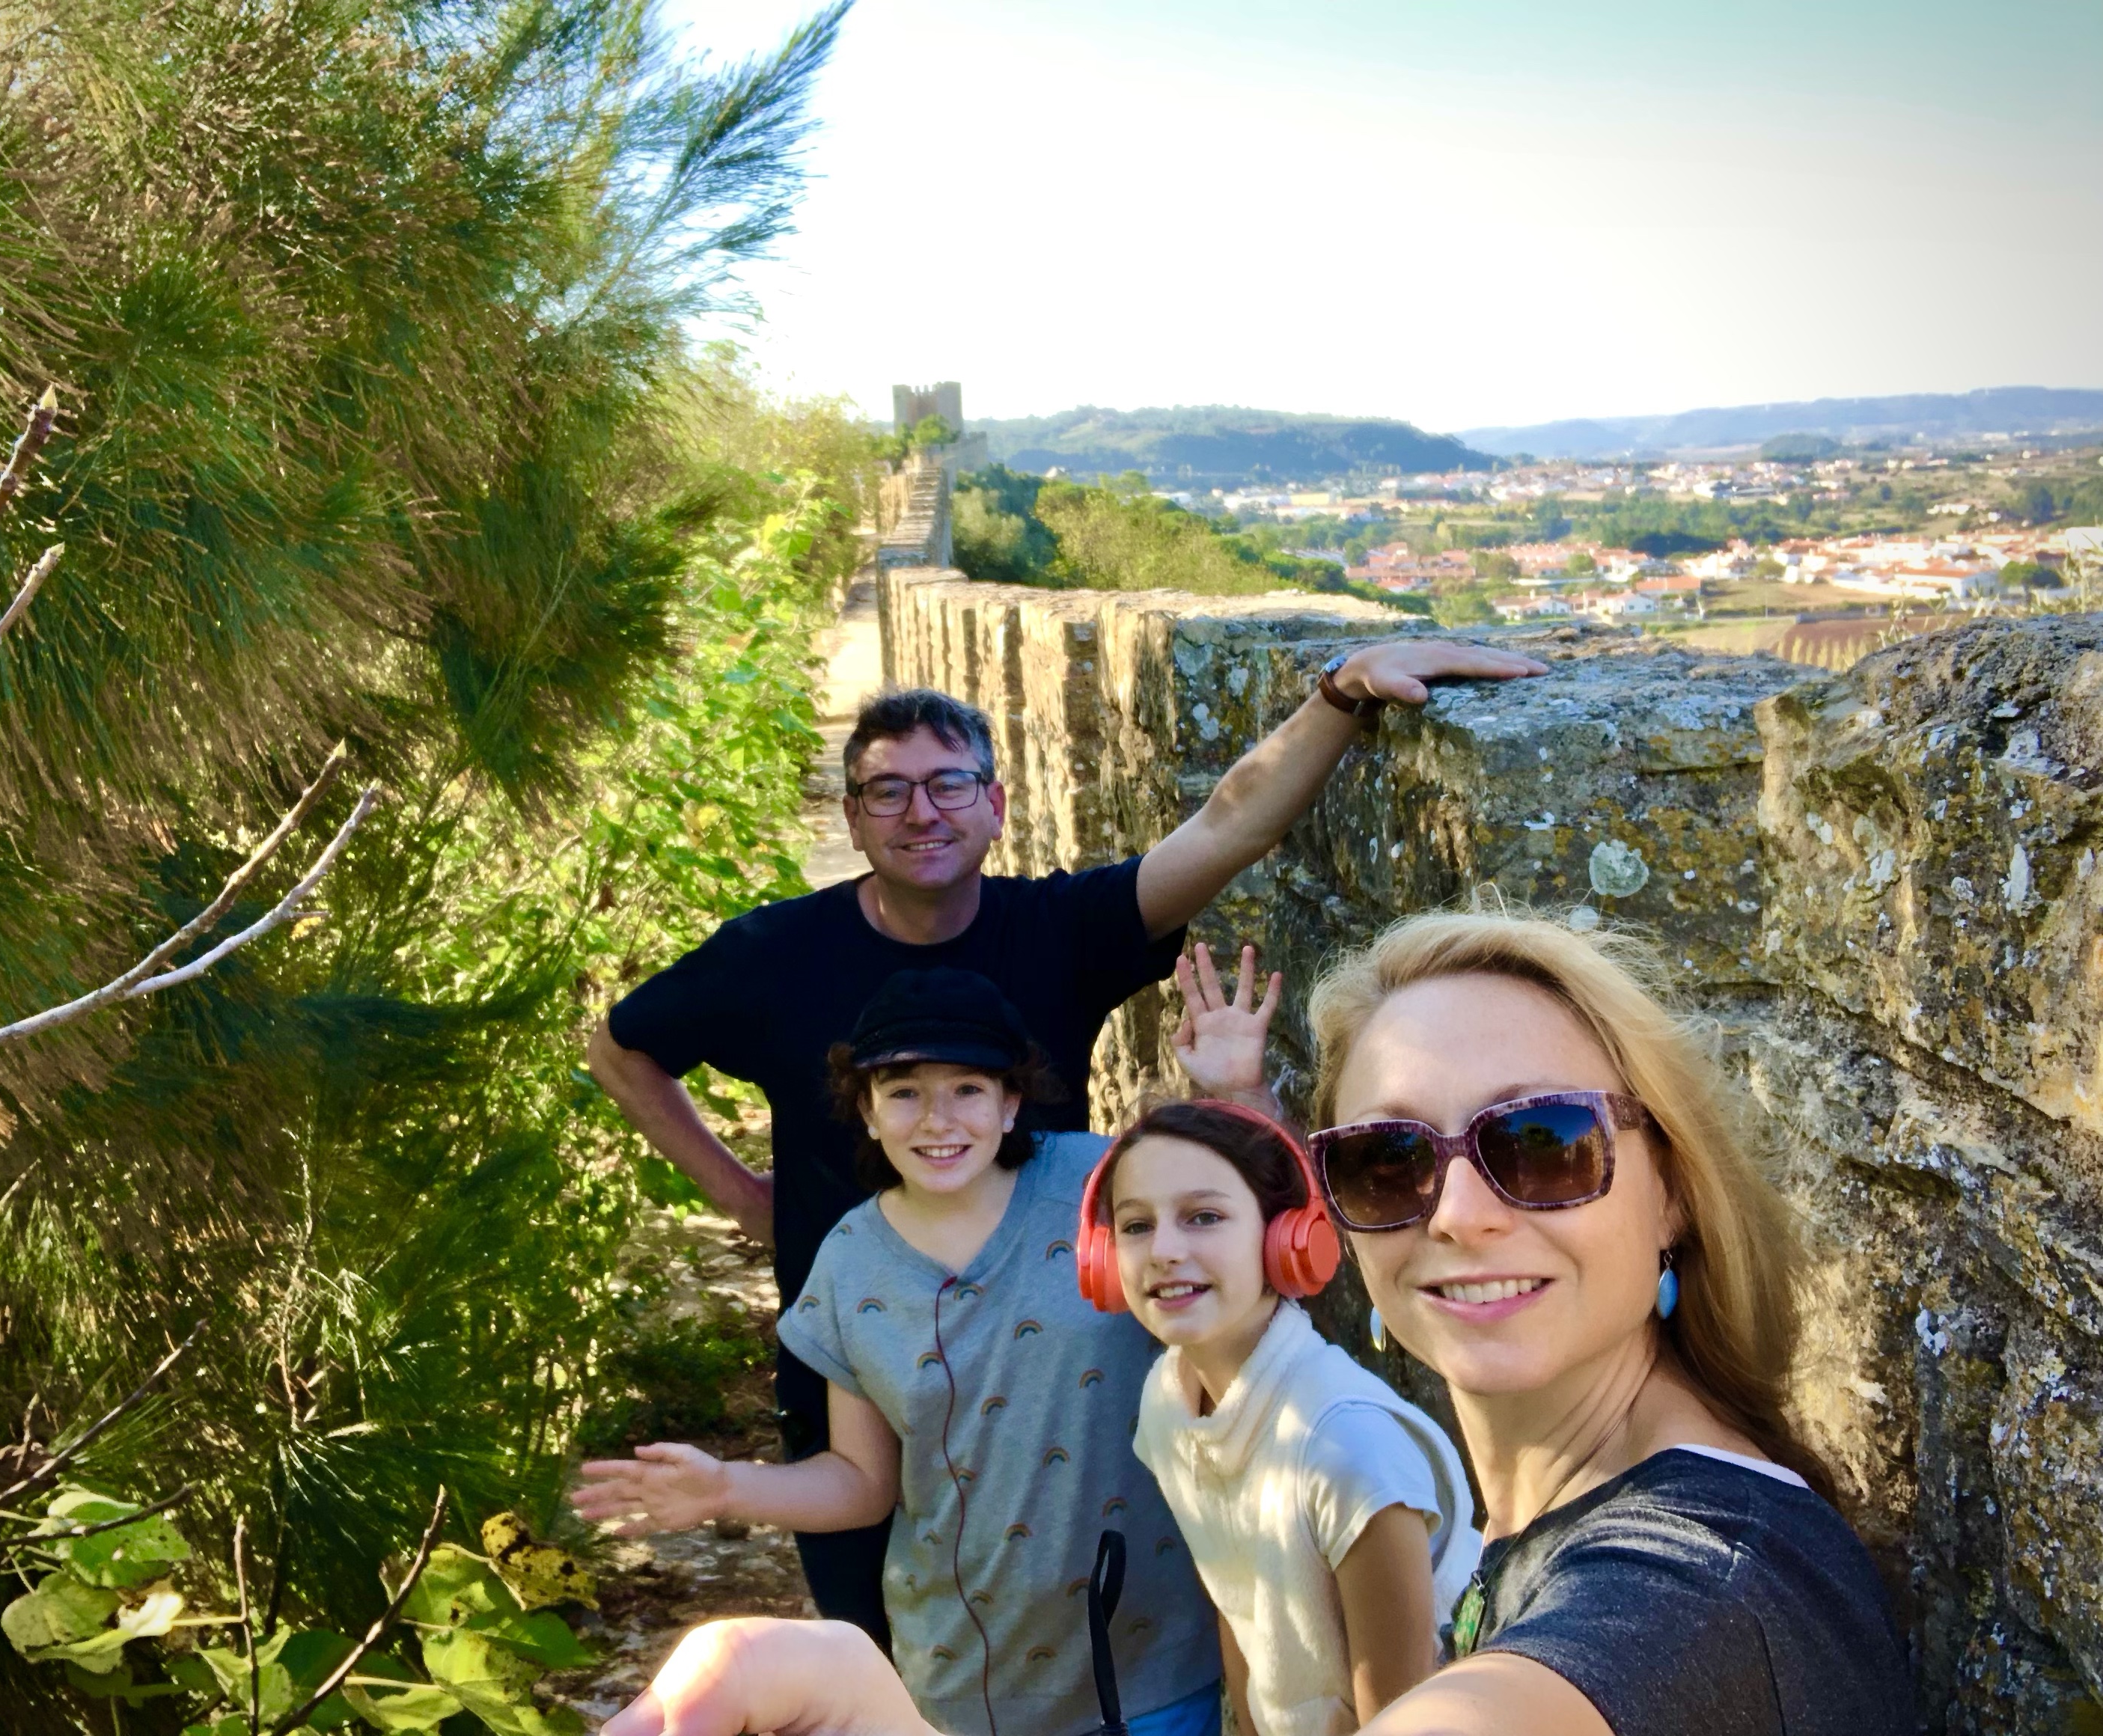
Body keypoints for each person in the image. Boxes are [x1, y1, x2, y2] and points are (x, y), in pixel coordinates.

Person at [595, 908, 1919, 1736]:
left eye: (1542, 1142)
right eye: (1390, 1162)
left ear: (1675, 1189)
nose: (1454, 1212)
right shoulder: (1534, 1513)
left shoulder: (1694, 1589)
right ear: (1335, 1213)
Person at [590, 643, 1544, 1639]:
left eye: (950, 784)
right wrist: (742, 1192)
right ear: (852, 819)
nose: (922, 813)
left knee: (1081, 1630)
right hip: (861, 1361)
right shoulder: (769, 958)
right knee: (874, 1645)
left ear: (997, 806)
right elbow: (622, 1050)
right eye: (888, 792)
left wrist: (1340, 693)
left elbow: (1227, 824)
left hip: (1060, 1376)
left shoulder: (1058, 929)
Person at [574, 967, 1233, 1736]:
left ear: (1010, 1099)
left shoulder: (1107, 1185)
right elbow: (861, 1482)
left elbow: (1242, 1246)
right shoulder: (848, 1265)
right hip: (960, 1683)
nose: (937, 1119)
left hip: (1154, 1668)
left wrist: (1239, 1097)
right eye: (904, 1091)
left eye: (967, 1088)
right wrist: (725, 1489)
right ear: (866, 1109)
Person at [1096, 953, 1478, 1736]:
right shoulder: (1168, 1402)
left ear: (1287, 1243)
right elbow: (1237, 1605)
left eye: (1203, 1217)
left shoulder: (1347, 1446)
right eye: (1136, 1225)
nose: (1165, 1249)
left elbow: (1400, 1712)